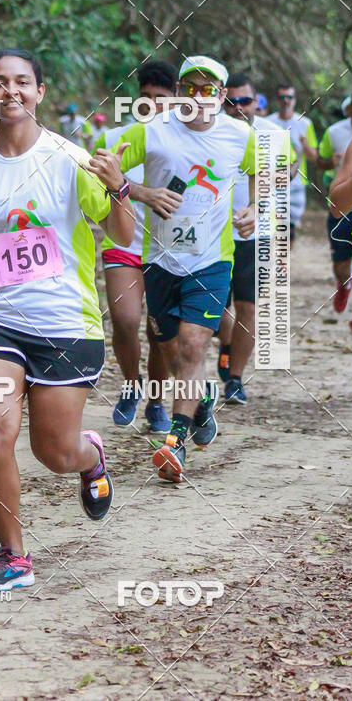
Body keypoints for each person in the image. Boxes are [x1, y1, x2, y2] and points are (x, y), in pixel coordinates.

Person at [0, 48, 135, 590]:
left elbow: (125, 237)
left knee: (53, 451)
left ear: (40, 92)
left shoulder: (71, 157)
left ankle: (89, 458)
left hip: (67, 323)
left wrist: (118, 188)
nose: (10, 91)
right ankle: (12, 554)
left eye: (22, 82)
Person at [113, 55, 259, 483]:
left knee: (195, 346)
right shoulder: (151, 131)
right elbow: (105, 169)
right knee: (172, 352)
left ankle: (174, 441)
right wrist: (142, 192)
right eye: (191, 88)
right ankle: (203, 398)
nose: (199, 97)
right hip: (159, 259)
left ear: (222, 95)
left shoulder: (239, 135)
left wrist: (254, 207)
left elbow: (267, 170)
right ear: (178, 91)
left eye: (209, 90)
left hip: (213, 259)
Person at [94, 61, 177, 431]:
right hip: (124, 241)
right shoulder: (117, 138)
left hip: (169, 248)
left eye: (162, 98)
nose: (153, 105)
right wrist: (140, 192)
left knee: (158, 330)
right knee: (125, 321)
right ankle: (131, 384)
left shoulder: (186, 143)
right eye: (146, 98)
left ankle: (157, 403)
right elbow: (95, 178)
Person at [217, 73, 296, 403]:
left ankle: (235, 378)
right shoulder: (211, 132)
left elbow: (289, 169)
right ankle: (225, 346)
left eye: (245, 101)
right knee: (218, 310)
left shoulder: (274, 134)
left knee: (248, 307)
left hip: (259, 233)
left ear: (257, 102)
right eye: (231, 102)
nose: (238, 108)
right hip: (214, 235)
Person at [317, 89, 352, 328]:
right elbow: (319, 161)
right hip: (349, 208)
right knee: (343, 265)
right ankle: (344, 284)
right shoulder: (340, 134)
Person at [267, 83, 318, 244]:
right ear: (276, 99)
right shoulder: (267, 122)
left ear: (294, 100)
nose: (286, 101)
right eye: (282, 97)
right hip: (271, 182)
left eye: (290, 97)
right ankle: (274, 263)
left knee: (290, 228)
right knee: (273, 227)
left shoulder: (305, 123)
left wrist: (305, 145)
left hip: (296, 184)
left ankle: (283, 264)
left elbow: (313, 157)